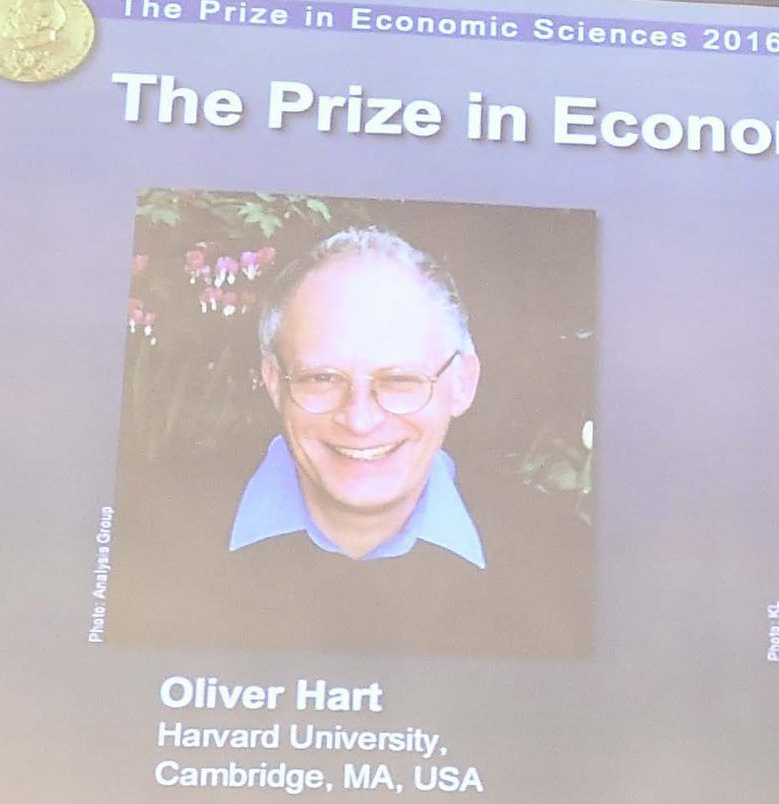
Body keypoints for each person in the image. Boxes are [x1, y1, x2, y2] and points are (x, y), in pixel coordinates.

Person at [175, 225, 591, 656]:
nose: (359, 419)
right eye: (322, 378)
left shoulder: (569, 566)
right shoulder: (147, 542)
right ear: (274, 382)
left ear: (463, 383)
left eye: (399, 380)